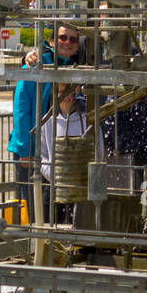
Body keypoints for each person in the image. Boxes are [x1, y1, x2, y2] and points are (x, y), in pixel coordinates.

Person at [8, 22, 81, 205]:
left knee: (57, 204)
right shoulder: (35, 65)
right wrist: (25, 150)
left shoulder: (78, 67)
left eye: (73, 39)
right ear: (51, 41)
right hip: (33, 149)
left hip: (61, 148)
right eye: (62, 37)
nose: (67, 42)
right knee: (34, 204)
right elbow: (21, 110)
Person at [39, 83, 104, 222]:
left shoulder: (89, 119)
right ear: (54, 93)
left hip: (83, 187)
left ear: (76, 90)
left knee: (82, 229)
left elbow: (99, 153)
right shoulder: (47, 122)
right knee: (49, 226)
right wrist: (55, 175)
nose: (67, 96)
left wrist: (85, 177)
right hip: (54, 186)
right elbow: (42, 155)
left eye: (70, 91)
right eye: (62, 92)